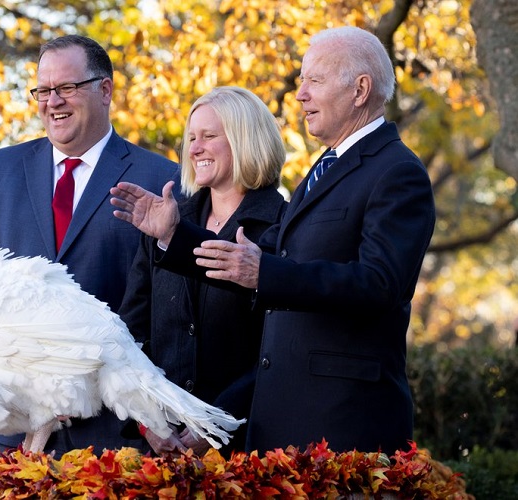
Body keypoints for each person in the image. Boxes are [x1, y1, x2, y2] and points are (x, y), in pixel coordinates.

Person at [111, 26, 436, 456]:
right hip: (289, 426)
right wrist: (173, 236)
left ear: (360, 89)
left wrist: (264, 271)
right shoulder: (327, 169)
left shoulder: (397, 171)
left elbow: (380, 284)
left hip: (345, 426)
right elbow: (252, 264)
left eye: (313, 80)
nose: (299, 94)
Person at [0, 34, 179, 454]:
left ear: (105, 90)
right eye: (44, 90)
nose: (52, 101)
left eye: (67, 88)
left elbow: (173, 310)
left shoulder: (161, 180)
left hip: (115, 437)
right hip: (10, 435)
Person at [117, 87, 287, 456]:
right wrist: (148, 421)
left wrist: (216, 422)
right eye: (191, 138)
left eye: (209, 136)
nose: (194, 149)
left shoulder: (282, 226)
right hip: (162, 449)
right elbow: (130, 335)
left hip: (246, 450)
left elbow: (280, 350)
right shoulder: (168, 219)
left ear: (245, 139)